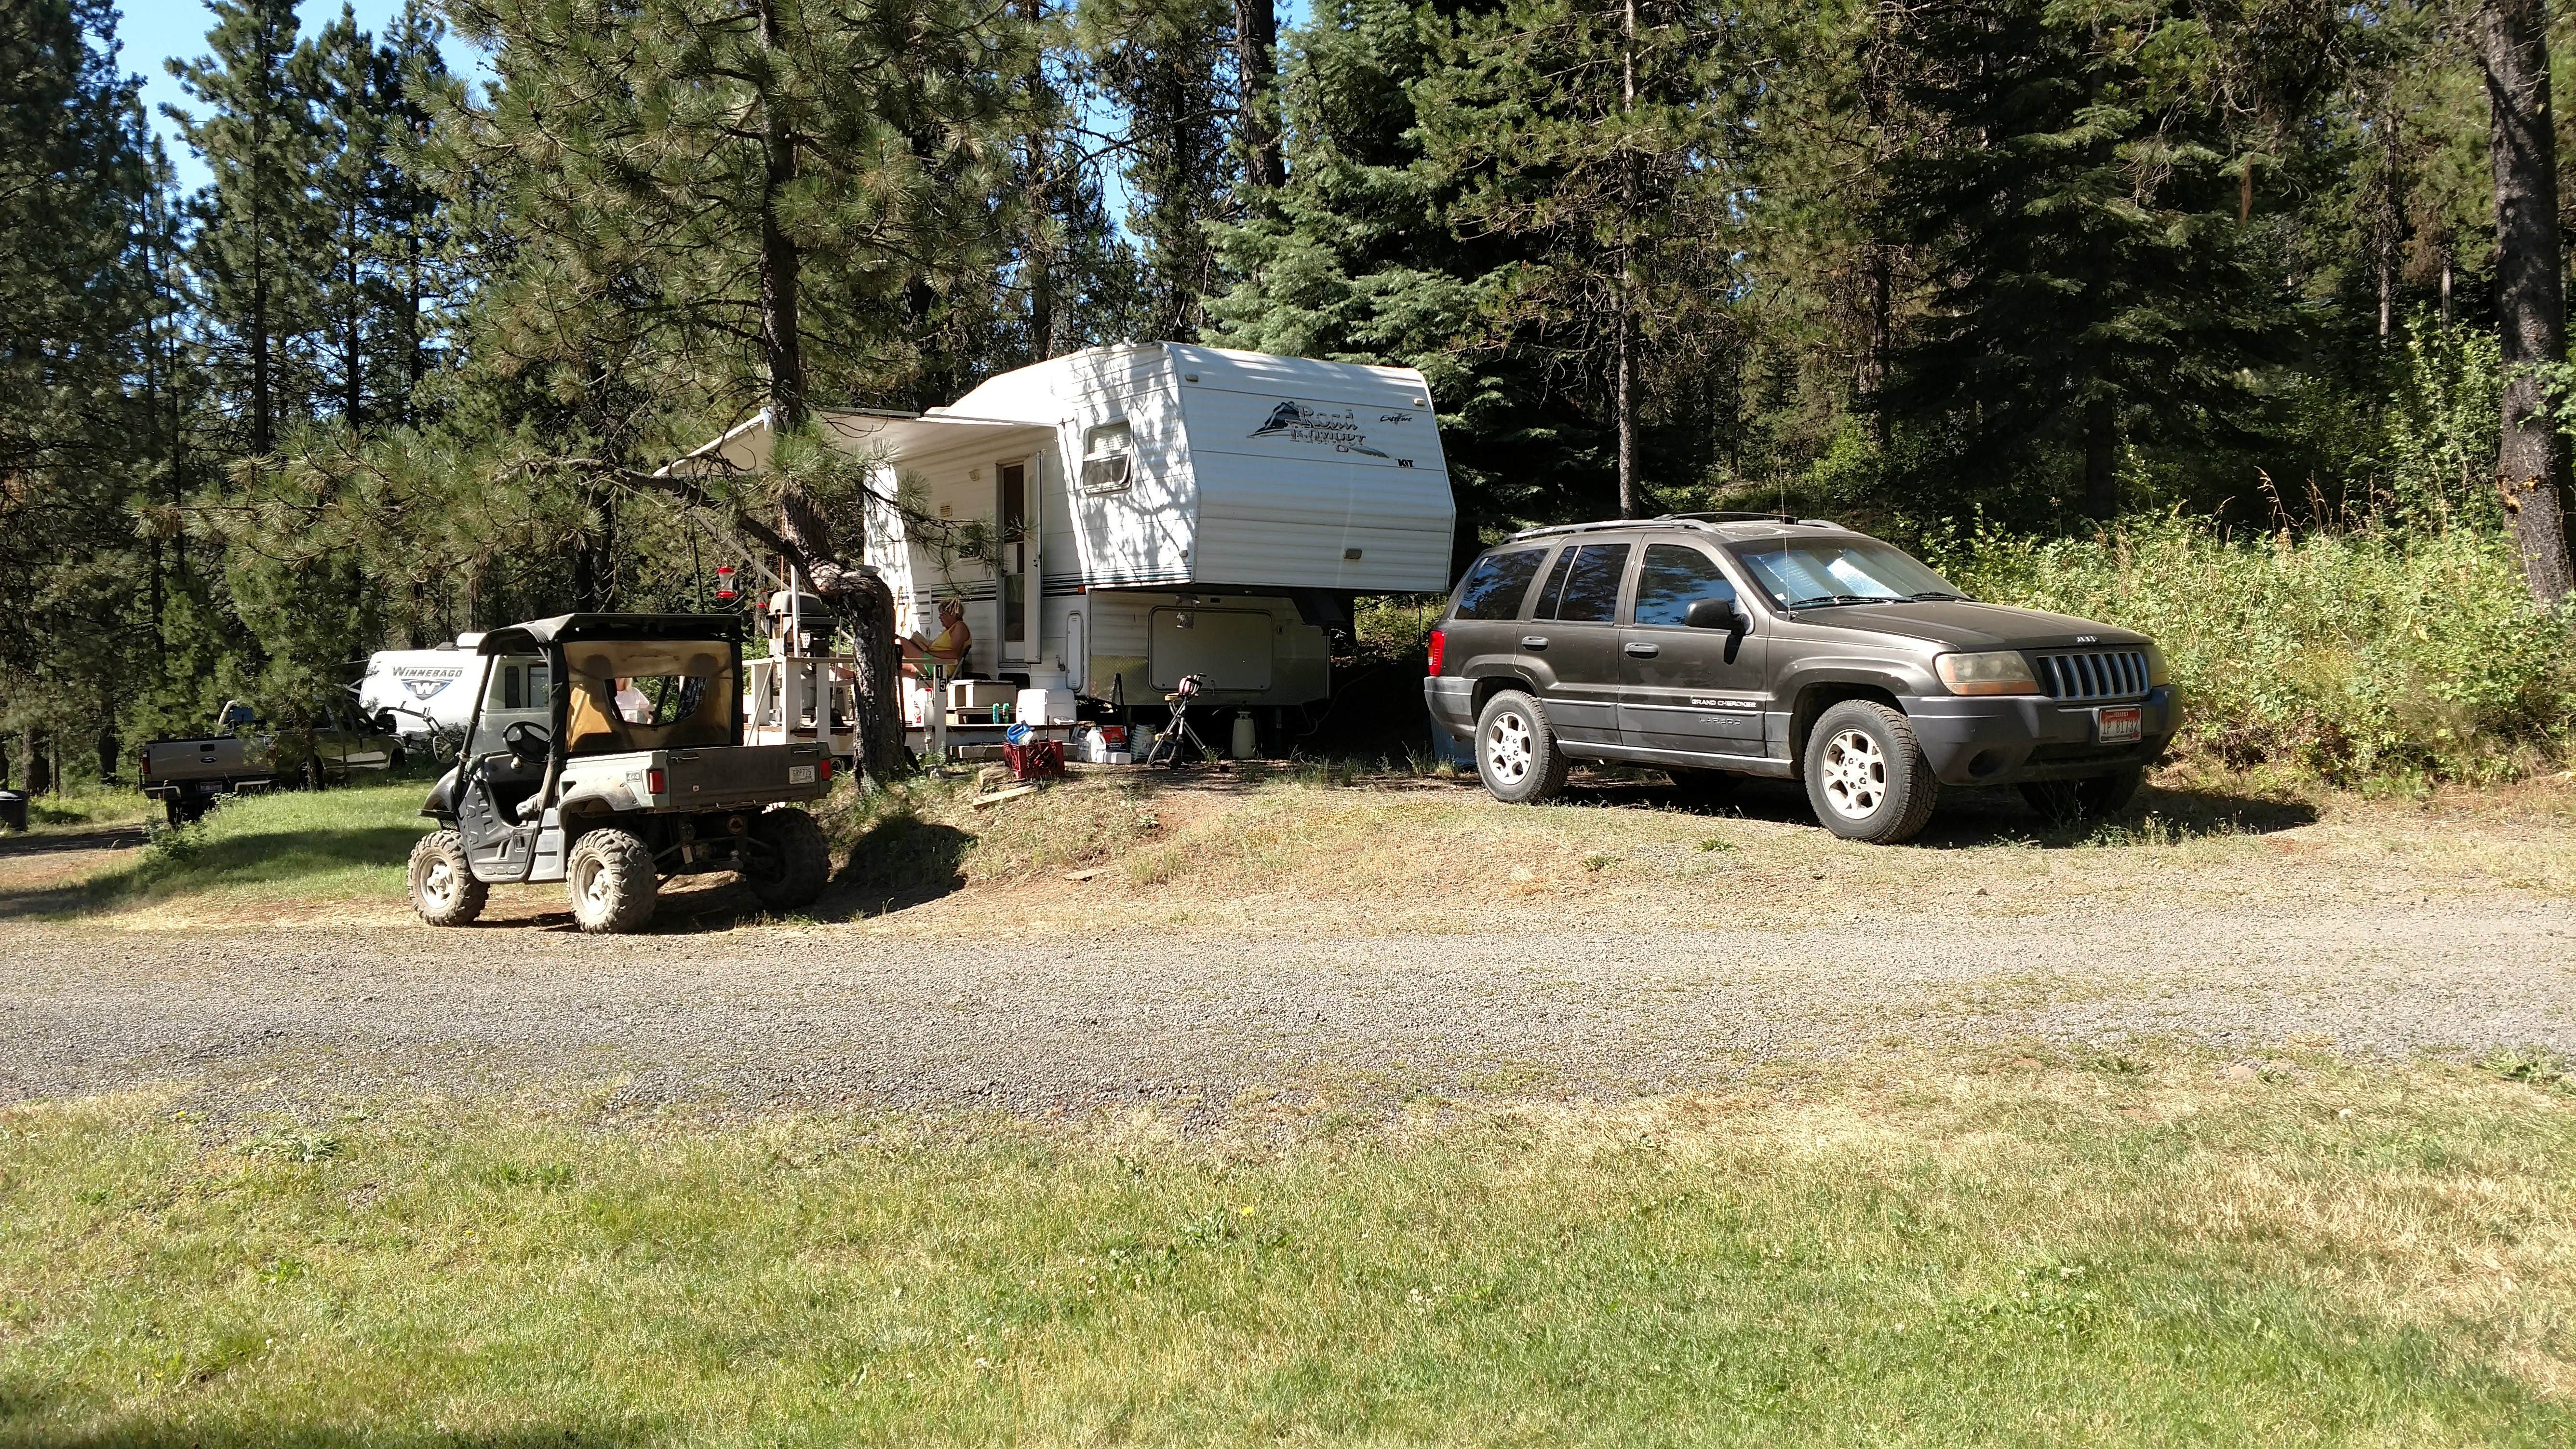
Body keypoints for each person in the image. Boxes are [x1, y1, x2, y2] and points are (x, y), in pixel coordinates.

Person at [901, 598, 971, 678]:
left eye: (942, 614)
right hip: (934, 662)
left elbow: (954, 655)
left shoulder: (959, 626)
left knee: (901, 641)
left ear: (953, 614)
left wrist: (929, 652)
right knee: (896, 667)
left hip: (941, 666)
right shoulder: (948, 630)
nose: (940, 617)